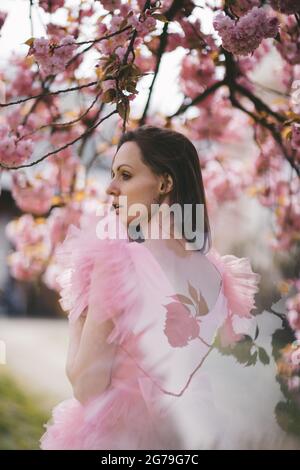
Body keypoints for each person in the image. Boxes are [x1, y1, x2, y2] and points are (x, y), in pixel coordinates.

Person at [40, 125, 261, 450]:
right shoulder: (216, 274)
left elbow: (86, 386)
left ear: (164, 183)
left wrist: (78, 316)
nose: (111, 188)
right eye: (113, 174)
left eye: (125, 175)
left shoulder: (117, 260)